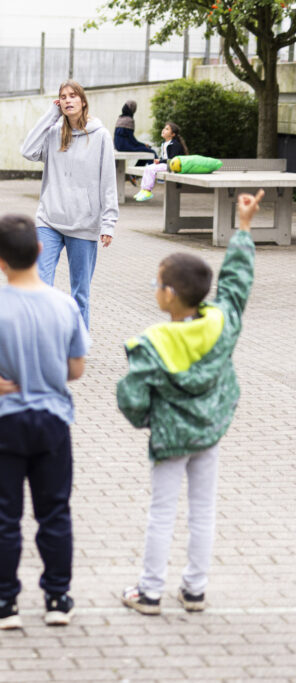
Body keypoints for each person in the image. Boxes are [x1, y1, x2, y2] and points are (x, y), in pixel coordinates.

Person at [118, 190, 262, 616]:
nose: (155, 289)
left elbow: (130, 397)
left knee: (162, 512)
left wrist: (149, 418)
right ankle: (195, 590)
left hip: (170, 438)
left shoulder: (153, 343)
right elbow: (236, 284)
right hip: (210, 430)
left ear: (168, 295)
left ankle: (148, 592)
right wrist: (244, 227)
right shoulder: (222, 322)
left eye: (157, 283)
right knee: (203, 510)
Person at [0, 214, 90, 630]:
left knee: (4, 517)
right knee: (54, 512)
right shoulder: (65, 304)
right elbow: (77, 368)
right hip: (51, 421)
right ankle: (58, 599)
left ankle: (5, 602)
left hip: (2, 421)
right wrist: (48, 373)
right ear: (41, 250)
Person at [21, 79, 118, 329]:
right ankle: (42, 340)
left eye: (73, 96)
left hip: (84, 223)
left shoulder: (101, 136)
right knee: (39, 285)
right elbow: (28, 150)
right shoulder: (54, 134)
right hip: (49, 220)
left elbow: (108, 181)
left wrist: (108, 223)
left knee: (80, 293)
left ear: (83, 101)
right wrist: (50, 115)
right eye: (63, 97)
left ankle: (79, 344)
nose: (67, 100)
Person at [134, 122, 188, 202]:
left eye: (167, 129)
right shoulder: (164, 143)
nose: (163, 130)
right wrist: (160, 160)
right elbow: (165, 157)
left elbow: (172, 159)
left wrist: (160, 161)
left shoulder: (175, 145)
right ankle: (143, 190)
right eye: (164, 128)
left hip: (172, 166)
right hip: (166, 164)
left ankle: (148, 191)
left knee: (151, 169)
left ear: (173, 134)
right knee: (148, 168)